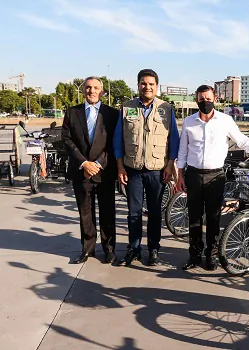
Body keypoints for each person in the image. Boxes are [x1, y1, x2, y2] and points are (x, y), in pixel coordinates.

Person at [176, 85, 249, 271]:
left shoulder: (225, 121)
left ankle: (211, 256)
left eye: (208, 98)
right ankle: (194, 254)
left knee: (213, 218)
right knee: (194, 219)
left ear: (215, 100)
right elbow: (183, 150)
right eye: (201, 99)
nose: (205, 102)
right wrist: (179, 174)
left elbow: (241, 139)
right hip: (193, 175)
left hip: (215, 177)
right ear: (196, 101)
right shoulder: (188, 122)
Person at [114, 69, 179, 266]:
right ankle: (134, 249)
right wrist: (120, 167)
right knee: (133, 212)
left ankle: (153, 250)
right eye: (143, 83)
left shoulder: (166, 108)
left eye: (151, 84)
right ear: (138, 85)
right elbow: (118, 140)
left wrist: (170, 165)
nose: (147, 87)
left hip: (157, 169)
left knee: (155, 212)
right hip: (132, 169)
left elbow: (173, 139)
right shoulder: (127, 108)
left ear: (156, 86)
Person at [62, 76, 118, 264]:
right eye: (88, 87)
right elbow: (67, 140)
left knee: (107, 211)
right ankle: (88, 249)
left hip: (104, 171)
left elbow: (113, 143)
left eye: (95, 88)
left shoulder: (112, 114)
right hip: (81, 171)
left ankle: (109, 249)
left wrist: (98, 164)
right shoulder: (72, 112)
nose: (91, 91)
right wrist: (84, 163)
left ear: (102, 91)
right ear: (83, 90)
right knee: (85, 212)